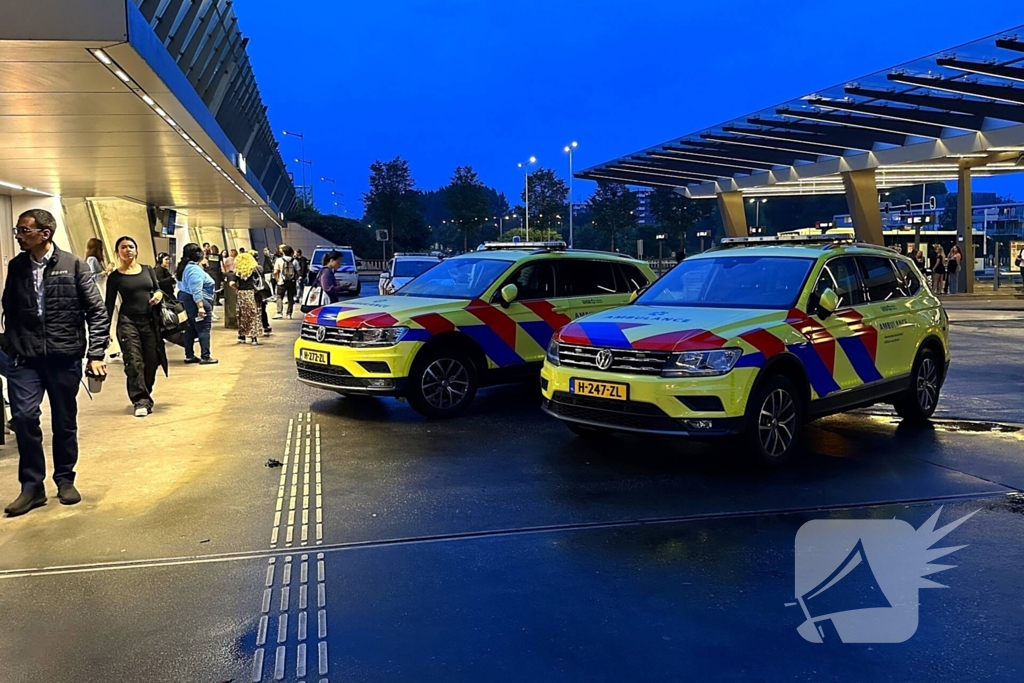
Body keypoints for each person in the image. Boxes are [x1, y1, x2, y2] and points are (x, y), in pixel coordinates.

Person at [1, 209, 109, 517]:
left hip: (64, 358)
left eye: (23, 231)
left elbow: (96, 312)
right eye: (18, 230)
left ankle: (64, 479)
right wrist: (11, 346)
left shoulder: (73, 265)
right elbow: (9, 308)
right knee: (23, 417)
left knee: (63, 421)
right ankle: (32, 487)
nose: (19, 235)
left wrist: (96, 353)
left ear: (44, 234)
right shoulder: (17, 266)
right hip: (25, 359)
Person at [105, 237, 168, 417]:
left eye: (131, 247)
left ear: (136, 250)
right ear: (118, 252)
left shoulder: (148, 270)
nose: (128, 250)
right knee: (133, 361)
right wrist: (103, 332)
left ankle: (145, 393)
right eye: (123, 247)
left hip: (150, 321)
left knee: (152, 361)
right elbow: (108, 305)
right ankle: (140, 400)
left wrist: (157, 295)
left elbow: (158, 289)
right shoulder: (115, 277)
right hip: (128, 322)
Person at [175, 242, 218, 365]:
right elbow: (196, 290)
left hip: (185, 300)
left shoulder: (184, 267)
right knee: (203, 329)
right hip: (196, 301)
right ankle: (205, 356)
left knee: (189, 329)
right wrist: (200, 307)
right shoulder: (193, 270)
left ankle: (189, 356)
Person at [228, 252, 265, 345]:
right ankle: (254, 338)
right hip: (252, 293)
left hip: (241, 294)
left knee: (241, 315)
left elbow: (231, 283)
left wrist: (237, 289)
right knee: (253, 314)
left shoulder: (237, 272)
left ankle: (242, 336)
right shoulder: (254, 270)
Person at [273, 245, 299, 320]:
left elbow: (275, 272)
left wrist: (277, 280)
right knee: (290, 298)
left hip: (281, 282)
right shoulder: (295, 261)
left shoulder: (279, 260)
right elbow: (299, 272)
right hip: (292, 282)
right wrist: (295, 278)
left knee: (279, 297)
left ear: (283, 252)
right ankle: (289, 313)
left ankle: (279, 313)